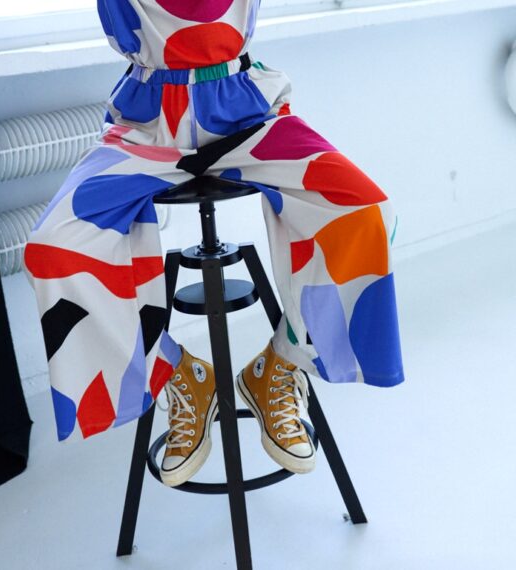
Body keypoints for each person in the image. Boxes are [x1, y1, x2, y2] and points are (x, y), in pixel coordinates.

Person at [23, 0, 405, 487]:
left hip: (245, 112)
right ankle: (177, 374)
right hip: (146, 124)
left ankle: (280, 365)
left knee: (365, 212)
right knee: (53, 248)